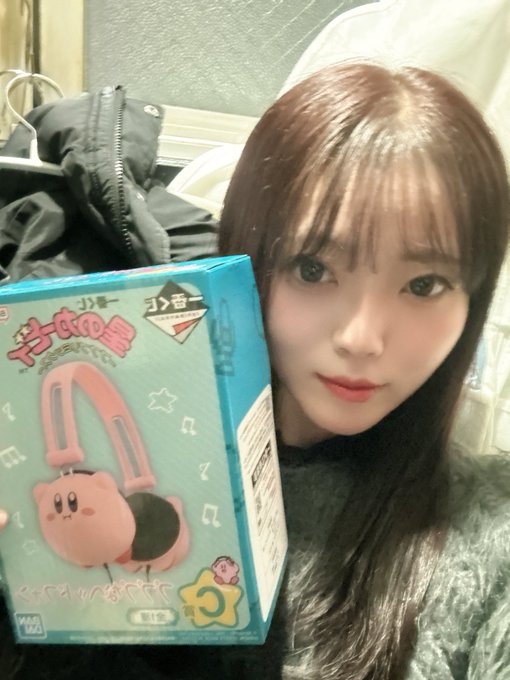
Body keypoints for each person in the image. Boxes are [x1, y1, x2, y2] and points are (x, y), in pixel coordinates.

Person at [0, 61, 509, 679]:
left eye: (423, 284)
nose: (361, 339)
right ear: (247, 258)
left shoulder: (491, 533)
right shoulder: (133, 453)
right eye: (314, 270)